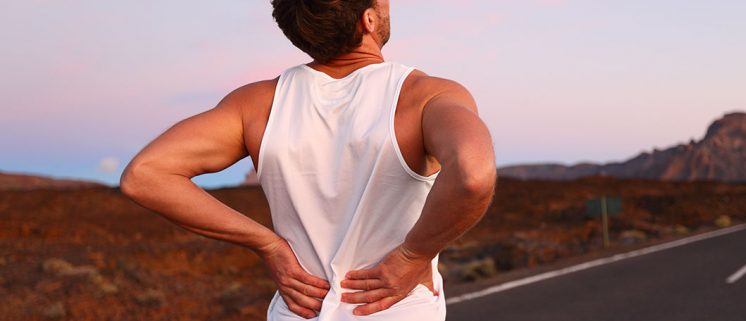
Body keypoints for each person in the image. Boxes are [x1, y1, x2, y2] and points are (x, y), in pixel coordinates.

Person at [119, 0, 497, 320]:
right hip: (395, 309)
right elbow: (473, 175)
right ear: (368, 20)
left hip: (299, 310)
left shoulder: (255, 104)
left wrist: (268, 245)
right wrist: (412, 256)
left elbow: (145, 175)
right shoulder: (424, 95)